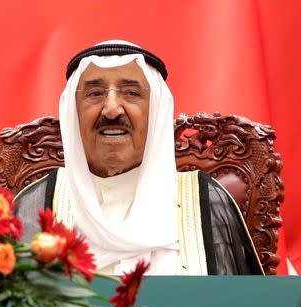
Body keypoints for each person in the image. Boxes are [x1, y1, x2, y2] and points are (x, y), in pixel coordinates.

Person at [13, 40, 263, 275]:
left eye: (132, 93)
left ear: (155, 112)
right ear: (73, 112)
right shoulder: (36, 205)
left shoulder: (204, 202)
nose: (111, 109)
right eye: (95, 94)